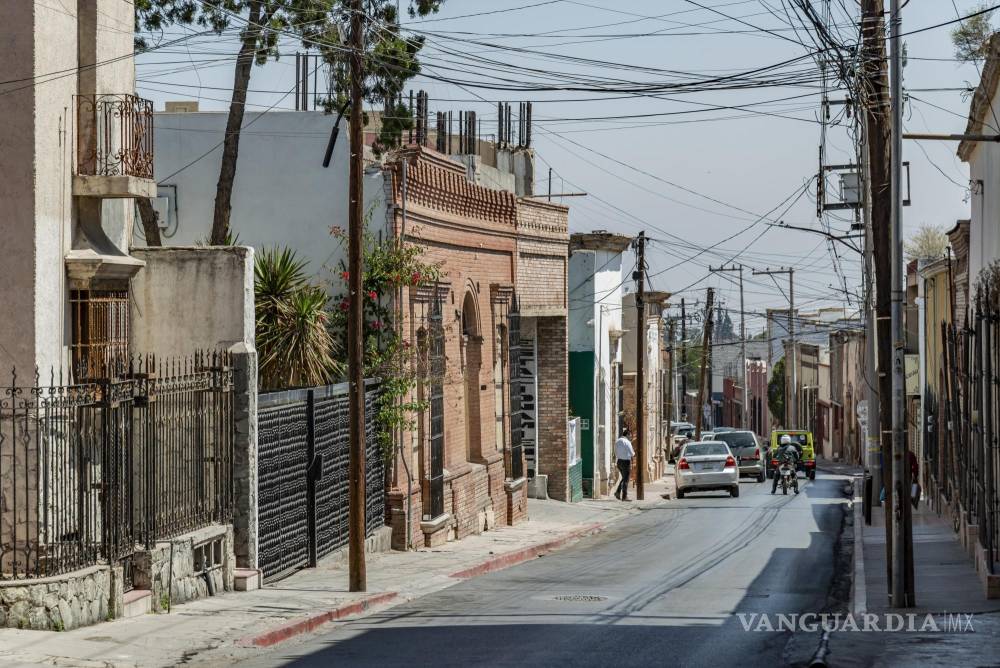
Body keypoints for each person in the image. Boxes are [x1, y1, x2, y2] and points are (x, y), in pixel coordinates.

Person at [614, 428, 635, 501]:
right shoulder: (627, 442)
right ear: (627, 434)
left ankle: (617, 492)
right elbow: (632, 453)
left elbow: (615, 452)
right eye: (630, 435)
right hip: (626, 462)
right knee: (626, 480)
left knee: (624, 478)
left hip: (619, 462)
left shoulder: (617, 441)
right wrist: (632, 455)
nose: (631, 437)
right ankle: (624, 496)